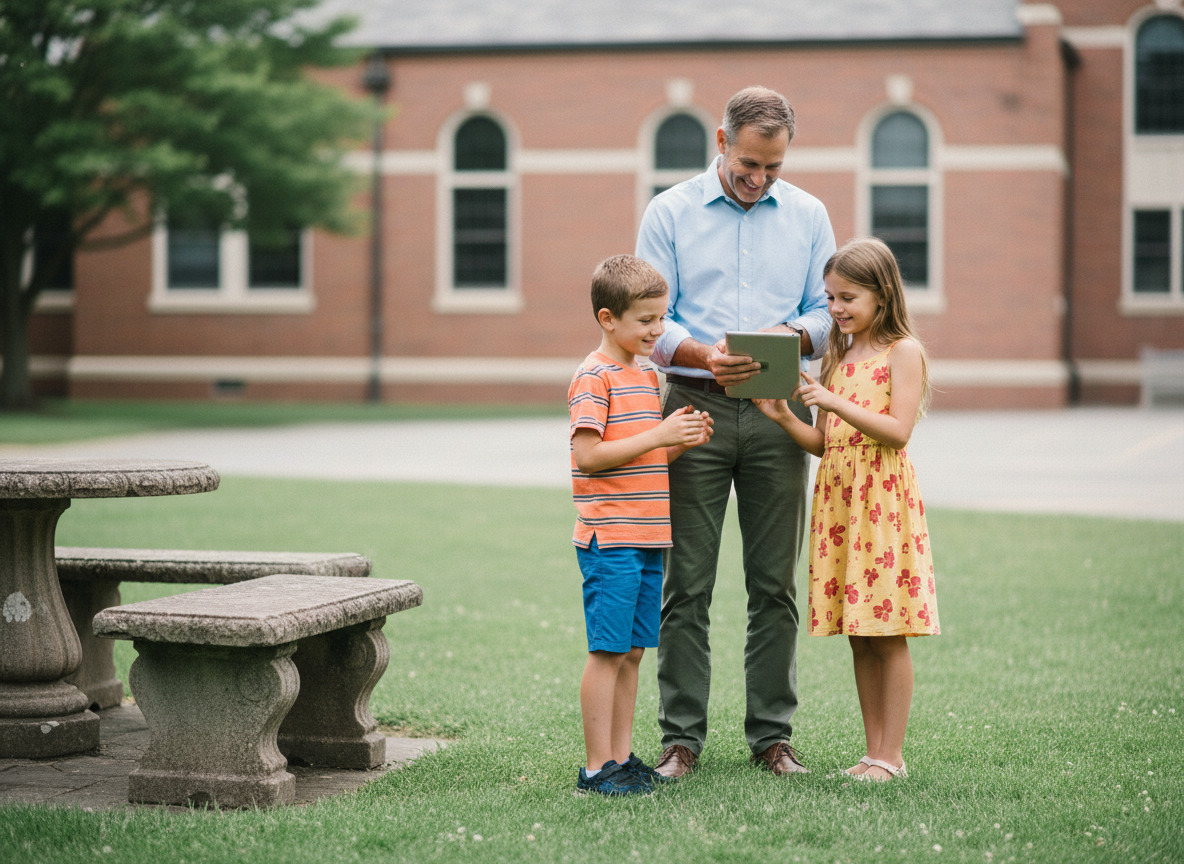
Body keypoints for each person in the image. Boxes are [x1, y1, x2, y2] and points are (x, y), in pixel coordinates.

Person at [636, 85, 835, 779]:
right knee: (686, 583)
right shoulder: (669, 212)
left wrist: (792, 333)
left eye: (773, 168)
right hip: (693, 409)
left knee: (774, 584)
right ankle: (681, 740)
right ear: (721, 143)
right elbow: (651, 320)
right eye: (749, 164)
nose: (759, 179)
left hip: (781, 411)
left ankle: (772, 737)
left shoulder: (809, 214)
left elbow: (828, 313)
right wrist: (702, 355)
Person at [753, 236, 940, 781]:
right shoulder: (838, 355)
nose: (835, 309)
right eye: (830, 297)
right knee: (860, 630)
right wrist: (784, 417)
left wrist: (835, 401)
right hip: (840, 501)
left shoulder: (901, 352)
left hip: (880, 503)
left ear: (882, 296)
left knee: (888, 630)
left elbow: (898, 432)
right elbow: (826, 442)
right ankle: (871, 752)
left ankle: (892, 756)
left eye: (847, 298)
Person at [568, 254, 714, 796]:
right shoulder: (594, 376)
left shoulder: (648, 374)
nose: (658, 330)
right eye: (646, 321)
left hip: (650, 534)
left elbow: (642, 458)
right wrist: (658, 436)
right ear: (608, 319)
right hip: (611, 538)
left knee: (632, 653)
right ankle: (594, 767)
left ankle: (623, 759)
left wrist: (678, 442)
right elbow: (589, 456)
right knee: (607, 651)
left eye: (662, 318)